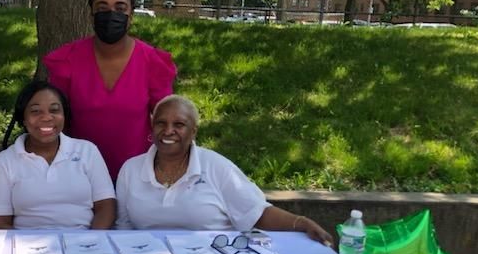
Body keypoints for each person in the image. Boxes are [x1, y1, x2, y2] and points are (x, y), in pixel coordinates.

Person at [115, 95, 333, 245]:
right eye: (161, 123)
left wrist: (300, 223)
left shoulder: (217, 167)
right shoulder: (131, 169)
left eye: (179, 125)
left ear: (193, 131)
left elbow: (257, 214)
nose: (168, 131)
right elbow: (122, 229)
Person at [44, 0, 177, 180]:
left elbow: (169, 122)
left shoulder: (152, 63)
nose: (111, 14)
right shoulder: (67, 60)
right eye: (103, 8)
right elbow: (54, 123)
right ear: (91, 15)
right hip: (78, 176)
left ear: (131, 15)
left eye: (120, 8)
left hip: (138, 177)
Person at [0, 80, 116, 229]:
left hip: (84, 243)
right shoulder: (3, 162)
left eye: (54, 110)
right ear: (23, 119)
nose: (46, 117)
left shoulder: (87, 151)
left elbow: (106, 207)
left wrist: (90, 242)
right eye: (36, 111)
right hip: (26, 246)